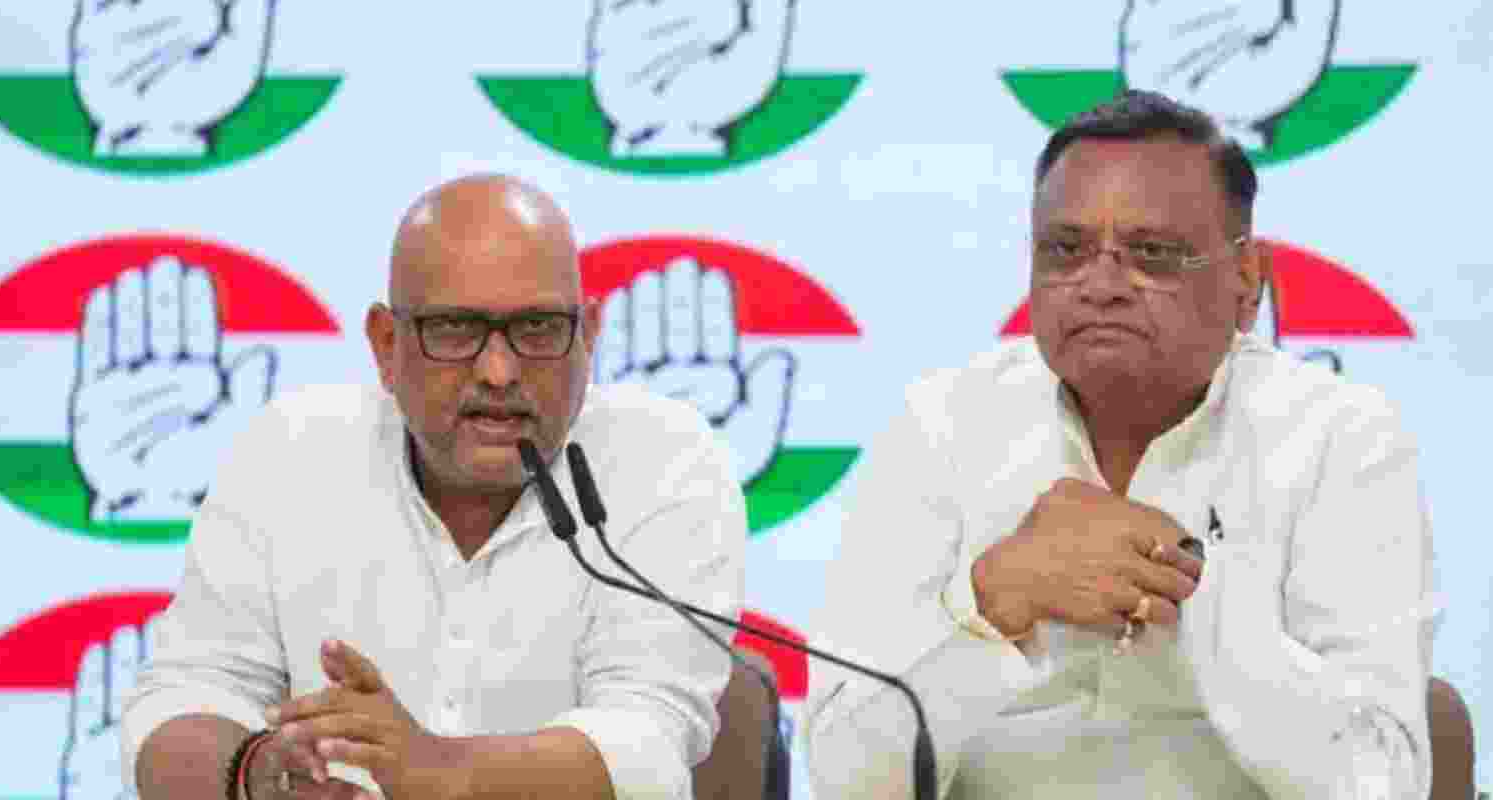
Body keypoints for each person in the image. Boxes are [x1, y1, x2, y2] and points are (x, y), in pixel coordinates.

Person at [803, 90, 1434, 799]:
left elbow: (1383, 782)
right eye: (1065, 251)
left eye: (1153, 253)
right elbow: (843, 780)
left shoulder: (1338, 437)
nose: (1100, 284)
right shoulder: (942, 425)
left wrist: (1193, 601)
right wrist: (997, 604)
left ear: (1246, 281)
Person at [120, 174, 747, 800]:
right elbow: (184, 697)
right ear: (386, 346)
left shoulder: (662, 460)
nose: (499, 371)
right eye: (453, 330)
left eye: (537, 329)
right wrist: (253, 775)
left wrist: (436, 770)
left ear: (587, 335)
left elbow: (647, 744)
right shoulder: (290, 452)